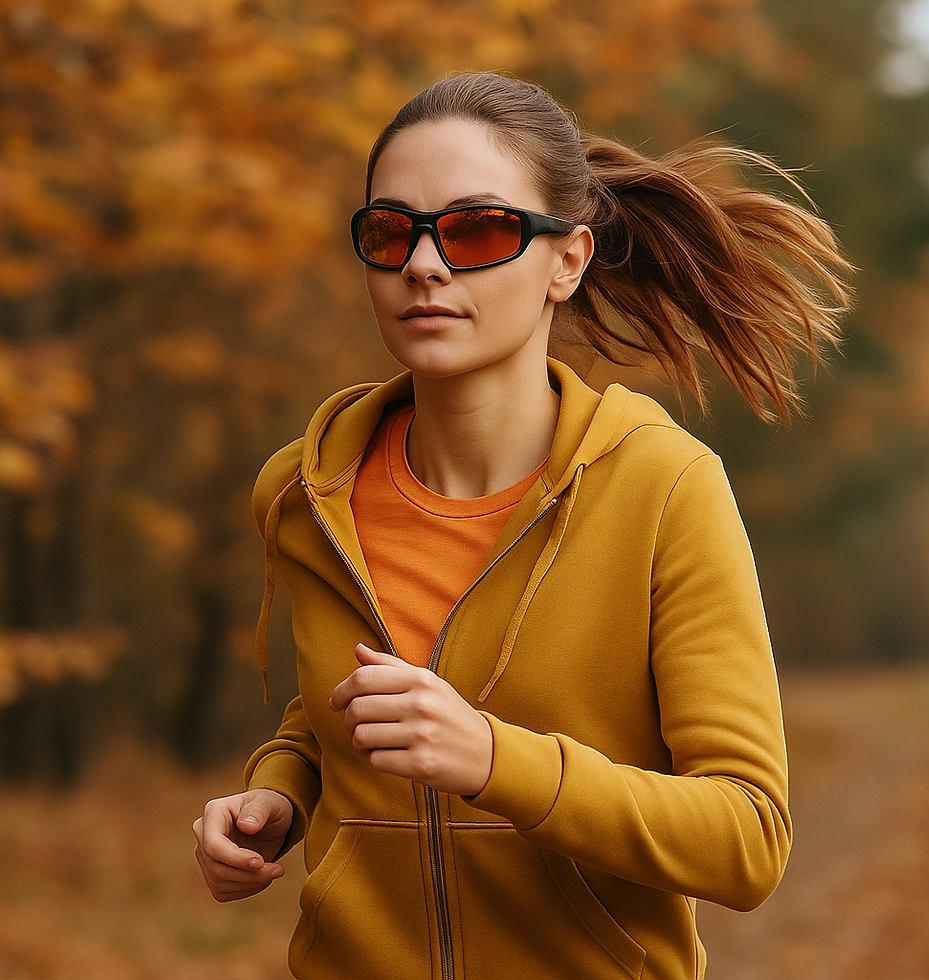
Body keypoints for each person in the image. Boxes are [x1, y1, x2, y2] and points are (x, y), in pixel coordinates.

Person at [193, 72, 852, 980]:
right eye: (392, 231)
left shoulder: (664, 488)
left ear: (567, 260)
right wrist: (279, 794)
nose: (425, 263)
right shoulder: (308, 491)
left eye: (476, 230)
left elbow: (746, 839)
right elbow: (335, 704)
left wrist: (493, 759)